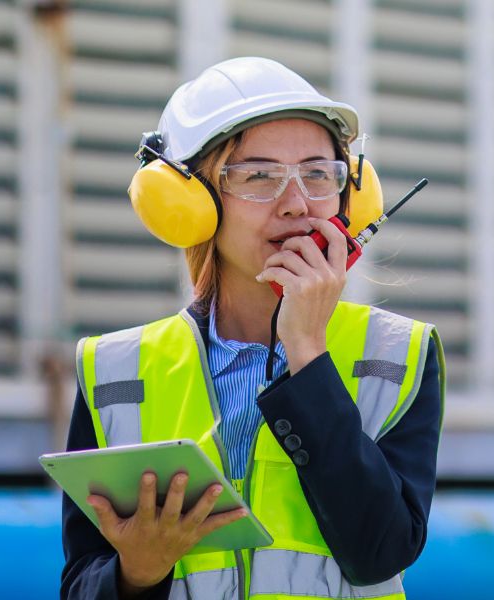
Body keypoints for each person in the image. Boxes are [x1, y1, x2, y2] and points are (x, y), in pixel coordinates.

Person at [61, 56, 445, 600]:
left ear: (351, 196)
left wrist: (308, 351)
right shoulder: (115, 371)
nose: (296, 205)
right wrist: (136, 574)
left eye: (318, 174)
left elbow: (380, 552)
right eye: (257, 176)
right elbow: (81, 583)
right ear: (189, 203)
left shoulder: (397, 356)